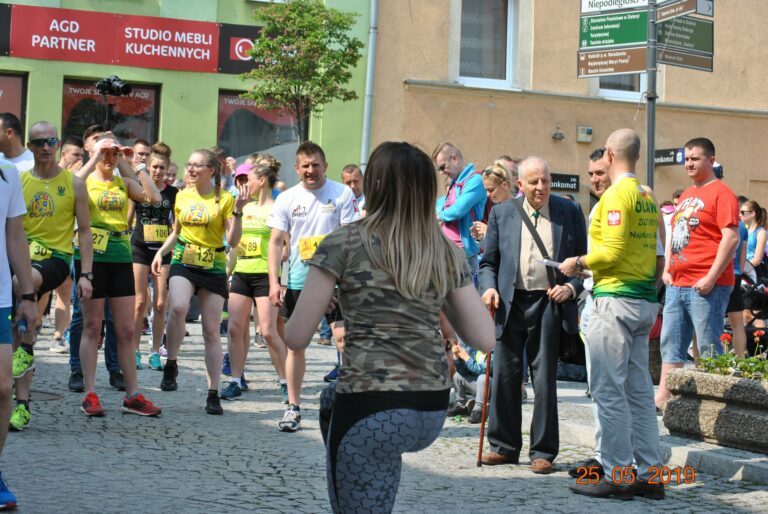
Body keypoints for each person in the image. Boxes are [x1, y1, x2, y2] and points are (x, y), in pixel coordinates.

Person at [283, 141, 495, 513]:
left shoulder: (343, 242)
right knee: (333, 401)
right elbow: (484, 338)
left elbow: (296, 337)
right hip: (429, 408)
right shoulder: (444, 250)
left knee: (355, 432)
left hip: (370, 404)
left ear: (376, 185)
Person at [561, 131, 665, 501]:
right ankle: (651, 474)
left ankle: (617, 474)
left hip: (615, 301)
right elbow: (655, 256)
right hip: (641, 300)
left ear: (609, 153)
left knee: (609, 392)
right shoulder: (646, 196)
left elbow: (613, 252)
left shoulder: (617, 196)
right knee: (639, 393)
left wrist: (577, 262)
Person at [479, 156, 587, 473]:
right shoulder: (502, 213)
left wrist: (571, 288)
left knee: (544, 379)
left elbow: (584, 263)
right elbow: (488, 263)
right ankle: (503, 446)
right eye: (534, 182)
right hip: (509, 302)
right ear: (519, 184)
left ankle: (543, 451)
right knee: (505, 375)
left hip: (548, 302)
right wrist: (489, 288)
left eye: (546, 181)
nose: (541, 187)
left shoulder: (569, 211)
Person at [267, 141, 359, 432]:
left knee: (343, 339)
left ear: (325, 166)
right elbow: (275, 242)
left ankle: (348, 405)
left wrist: (339, 280)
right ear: (297, 168)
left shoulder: (341, 193)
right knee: (295, 345)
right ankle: (293, 408)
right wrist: (274, 281)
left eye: (315, 165)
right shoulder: (287, 198)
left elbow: (350, 238)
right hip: (299, 280)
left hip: (336, 280)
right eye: (305, 166)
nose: (311, 170)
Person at [9, 121, 93, 431]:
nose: (46, 147)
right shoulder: (19, 181)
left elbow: (85, 232)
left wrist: (86, 274)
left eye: (51, 141)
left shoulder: (74, 184)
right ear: (29, 147)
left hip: (55, 259)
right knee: (16, 327)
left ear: (57, 145)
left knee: (22, 284)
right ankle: (22, 405)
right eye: (39, 142)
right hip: (21, 256)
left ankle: (27, 347)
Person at [152, 149, 248, 415]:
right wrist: (161, 252)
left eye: (198, 165)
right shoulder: (182, 195)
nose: (192, 169)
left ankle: (213, 393)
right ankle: (171, 362)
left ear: (211, 170)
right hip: (183, 259)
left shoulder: (225, 198)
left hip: (213, 265)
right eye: (190, 164)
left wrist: (239, 211)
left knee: (211, 331)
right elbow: (176, 232)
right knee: (178, 307)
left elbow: (234, 240)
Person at [73, 135, 163, 417]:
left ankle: (132, 395)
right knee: (92, 326)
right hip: (92, 257)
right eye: (106, 153)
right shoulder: (85, 180)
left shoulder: (123, 182)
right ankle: (90, 393)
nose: (110, 158)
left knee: (125, 330)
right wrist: (95, 157)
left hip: (121, 255)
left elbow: (154, 197)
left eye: (114, 153)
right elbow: (72, 183)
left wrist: (134, 164)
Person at [656, 138, 739, 409]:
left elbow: (731, 238)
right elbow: (675, 233)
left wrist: (711, 277)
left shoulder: (722, 193)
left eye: (695, 158)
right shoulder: (688, 195)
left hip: (706, 284)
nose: (689, 164)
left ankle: (711, 403)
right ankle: (664, 397)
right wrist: (667, 268)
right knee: (671, 343)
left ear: (711, 161)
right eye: (686, 159)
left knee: (708, 346)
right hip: (677, 282)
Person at [221, 163, 288, 403]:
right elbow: (234, 243)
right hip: (241, 272)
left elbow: (286, 246)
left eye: (248, 179)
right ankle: (235, 381)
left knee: (268, 332)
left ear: (261, 181)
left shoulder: (278, 208)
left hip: (265, 276)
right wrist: (226, 272)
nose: (243, 184)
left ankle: (285, 381)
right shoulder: (244, 207)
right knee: (235, 329)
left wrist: (280, 281)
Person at [66, 125, 121, 393]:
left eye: (112, 147)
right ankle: (77, 368)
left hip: (114, 251)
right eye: (99, 144)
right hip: (86, 251)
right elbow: (74, 183)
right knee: (82, 313)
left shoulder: (118, 173)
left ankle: (115, 368)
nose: (107, 152)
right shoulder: (83, 172)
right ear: (89, 147)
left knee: (112, 314)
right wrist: (94, 159)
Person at [0, 154, 39, 509]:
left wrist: (27, 294)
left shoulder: (8, 172)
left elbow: (14, 236)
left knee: (1, 389)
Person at [130, 146, 177, 371]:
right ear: (148, 168)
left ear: (167, 170)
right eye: (154, 167)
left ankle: (155, 351)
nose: (158, 171)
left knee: (160, 303)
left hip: (162, 251)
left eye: (162, 168)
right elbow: (127, 219)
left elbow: (177, 225)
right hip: (139, 248)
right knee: (139, 302)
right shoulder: (138, 188)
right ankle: (134, 350)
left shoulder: (173, 193)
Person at [49, 136, 85, 353]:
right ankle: (33, 329)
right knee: (43, 292)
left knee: (64, 290)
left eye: (82, 155)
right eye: (76, 155)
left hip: (70, 241)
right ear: (63, 154)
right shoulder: (52, 174)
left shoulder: (79, 178)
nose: (80, 159)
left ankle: (59, 335)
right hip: (47, 242)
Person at [434, 142, 486, 282]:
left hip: (462, 253)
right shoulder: (455, 183)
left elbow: (459, 209)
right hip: (448, 250)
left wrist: (439, 216)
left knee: (462, 293)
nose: (441, 173)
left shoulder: (475, 180)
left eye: (442, 167)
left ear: (454, 158)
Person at [470, 163, 515, 242]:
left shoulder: (519, 209)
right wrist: (481, 237)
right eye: (486, 190)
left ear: (504, 185)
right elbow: (494, 246)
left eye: (491, 190)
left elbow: (515, 240)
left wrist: (488, 231)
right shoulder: (496, 210)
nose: (487, 194)